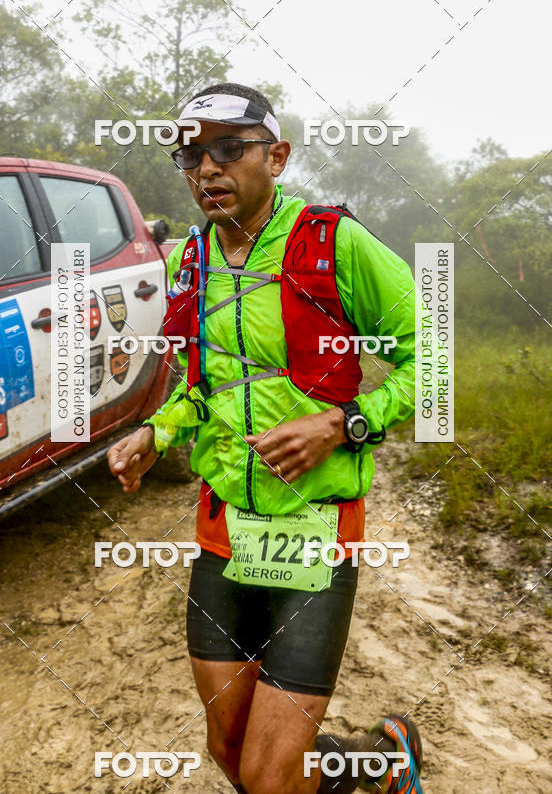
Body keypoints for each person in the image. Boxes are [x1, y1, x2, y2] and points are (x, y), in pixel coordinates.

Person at [106, 83, 423, 793]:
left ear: (275, 156)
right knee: (231, 751)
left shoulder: (333, 241)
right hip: (225, 535)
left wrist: (344, 421)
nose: (207, 169)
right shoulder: (192, 258)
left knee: (269, 778)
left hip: (314, 533)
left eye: (229, 148)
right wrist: (155, 433)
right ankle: (378, 762)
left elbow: (432, 361)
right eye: (192, 154)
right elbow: (197, 386)